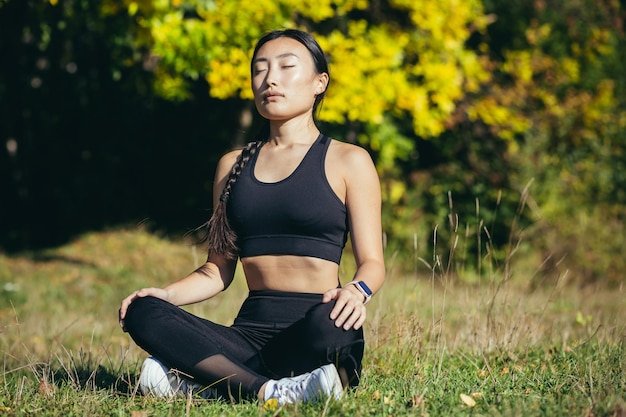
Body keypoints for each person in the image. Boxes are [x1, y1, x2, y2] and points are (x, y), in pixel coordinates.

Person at [118, 28, 385, 407]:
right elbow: (217, 270)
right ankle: (268, 390)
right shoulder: (232, 166)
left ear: (319, 83)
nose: (270, 79)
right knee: (144, 311)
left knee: (335, 325)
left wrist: (356, 292)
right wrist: (165, 295)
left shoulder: (349, 160)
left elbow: (373, 263)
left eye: (286, 67)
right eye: (259, 70)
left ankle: (208, 383)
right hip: (245, 337)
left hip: (315, 327)